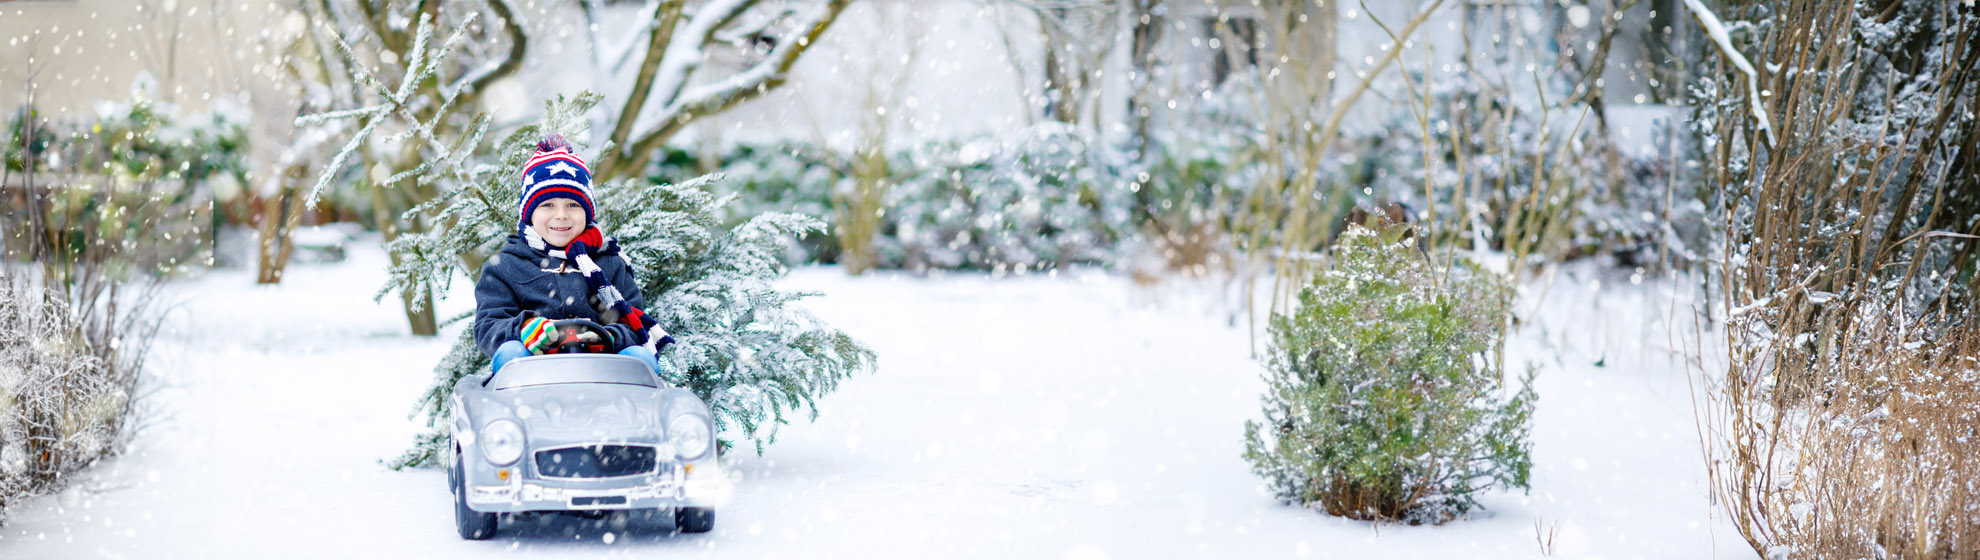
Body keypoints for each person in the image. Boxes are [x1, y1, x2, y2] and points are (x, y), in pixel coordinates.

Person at [472, 134, 674, 374]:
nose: (561, 215)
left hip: (601, 373)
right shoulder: (505, 267)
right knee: (510, 353)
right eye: (547, 205)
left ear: (588, 213)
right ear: (529, 214)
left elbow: (632, 325)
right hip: (534, 377)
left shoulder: (608, 264)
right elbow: (488, 326)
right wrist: (523, 328)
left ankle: (642, 406)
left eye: (572, 205)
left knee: (639, 357)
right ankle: (512, 408)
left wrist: (608, 336)